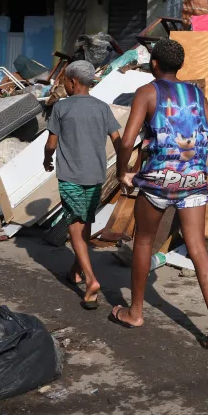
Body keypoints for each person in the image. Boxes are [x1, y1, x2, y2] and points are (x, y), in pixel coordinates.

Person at [113, 38, 208, 353]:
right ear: (179, 65)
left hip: (158, 182)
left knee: (144, 242)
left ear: (154, 64)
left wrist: (122, 172)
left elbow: (126, 142)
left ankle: (135, 313)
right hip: (193, 182)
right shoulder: (196, 94)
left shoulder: (147, 93)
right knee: (198, 249)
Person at [44, 59, 121, 310]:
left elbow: (52, 143)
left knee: (75, 230)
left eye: (64, 79)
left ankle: (91, 281)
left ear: (73, 81)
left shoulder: (61, 108)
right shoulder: (102, 108)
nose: (64, 84)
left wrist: (47, 159)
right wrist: (122, 167)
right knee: (85, 223)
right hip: (96, 176)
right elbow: (118, 140)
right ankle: (76, 269)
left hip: (71, 177)